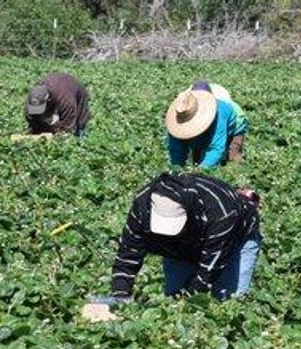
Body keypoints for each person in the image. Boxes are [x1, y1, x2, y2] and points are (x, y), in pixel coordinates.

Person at [87, 172, 262, 311]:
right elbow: (128, 253)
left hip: (236, 240)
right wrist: (120, 295)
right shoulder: (142, 207)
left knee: (229, 301)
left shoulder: (219, 212)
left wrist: (189, 299)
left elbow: (210, 269)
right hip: (181, 247)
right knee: (174, 298)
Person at [164, 80, 250, 168]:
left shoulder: (220, 113)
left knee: (232, 158)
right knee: (197, 157)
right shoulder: (180, 114)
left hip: (234, 125)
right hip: (209, 124)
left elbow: (217, 148)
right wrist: (177, 170)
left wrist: (202, 171)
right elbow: (176, 150)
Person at [25, 73, 90, 137]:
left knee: (79, 125)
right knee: (38, 126)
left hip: (73, 89)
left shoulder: (65, 100)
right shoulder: (32, 98)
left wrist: (60, 136)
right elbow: (32, 121)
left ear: (48, 99)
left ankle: (80, 139)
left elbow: (68, 127)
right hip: (55, 88)